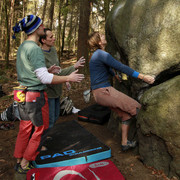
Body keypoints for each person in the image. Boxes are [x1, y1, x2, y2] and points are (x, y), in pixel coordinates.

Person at [12, 15, 84, 174]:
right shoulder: (36, 49)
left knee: (24, 129)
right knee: (39, 129)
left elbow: (33, 72)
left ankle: (18, 159)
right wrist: (68, 77)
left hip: (21, 94)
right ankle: (25, 163)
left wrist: (48, 70)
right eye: (41, 25)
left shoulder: (23, 47)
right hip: (34, 95)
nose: (43, 27)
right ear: (36, 29)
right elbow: (44, 79)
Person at [87, 32, 155, 151]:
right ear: (98, 42)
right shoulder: (102, 54)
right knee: (137, 108)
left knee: (126, 115)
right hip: (105, 91)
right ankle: (152, 139)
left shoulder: (95, 55)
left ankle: (125, 143)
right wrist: (143, 77)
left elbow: (107, 68)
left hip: (99, 94)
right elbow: (121, 67)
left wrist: (115, 75)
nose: (104, 35)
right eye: (101, 36)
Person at [39, 28, 85, 129]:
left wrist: (68, 76)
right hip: (48, 93)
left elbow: (59, 71)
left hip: (57, 91)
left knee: (55, 117)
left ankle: (45, 139)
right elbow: (42, 76)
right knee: (49, 120)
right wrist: (65, 77)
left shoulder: (54, 50)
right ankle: (41, 142)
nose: (54, 38)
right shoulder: (40, 55)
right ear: (43, 40)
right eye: (51, 37)